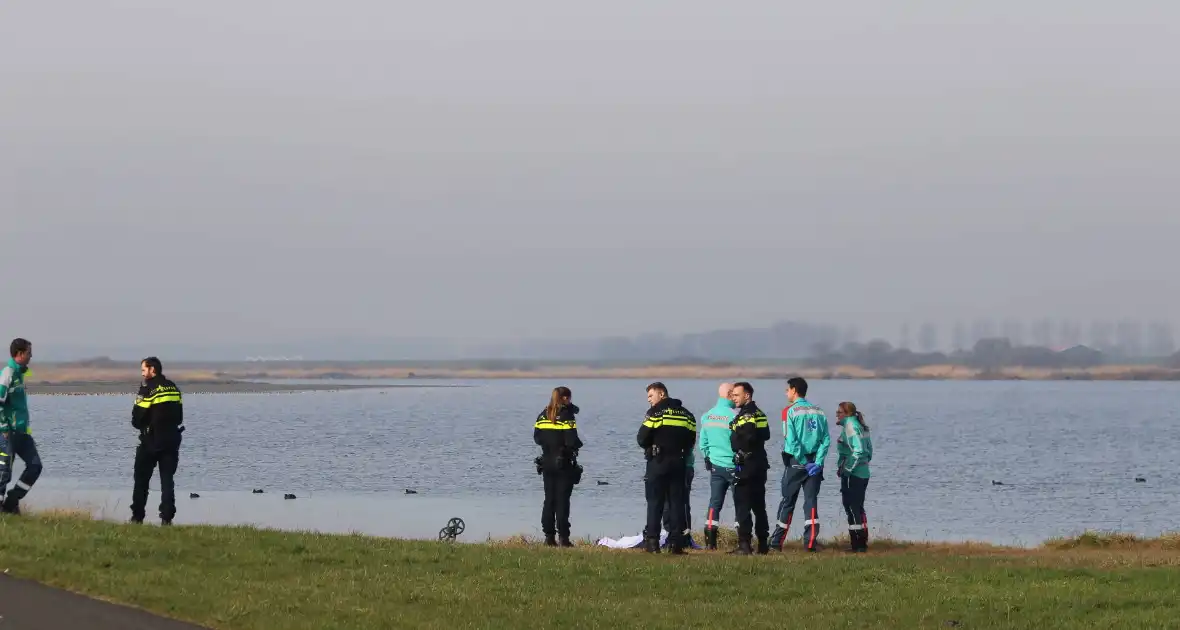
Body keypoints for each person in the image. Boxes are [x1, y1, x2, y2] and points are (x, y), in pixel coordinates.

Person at [769, 376, 831, 552]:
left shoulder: (789, 411)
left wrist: (803, 461)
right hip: (815, 463)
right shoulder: (819, 411)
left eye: (787, 389)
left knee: (788, 501)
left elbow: (791, 440)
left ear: (794, 390)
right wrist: (817, 462)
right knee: (811, 502)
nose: (786, 393)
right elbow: (826, 439)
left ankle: (776, 543)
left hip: (797, 462)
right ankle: (810, 543)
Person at [637, 382, 697, 554]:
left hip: (658, 462)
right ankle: (676, 544)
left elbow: (641, 438)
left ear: (661, 394)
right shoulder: (687, 415)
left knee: (655, 502)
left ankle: (653, 543)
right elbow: (691, 440)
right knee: (676, 503)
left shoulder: (655, 413)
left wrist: (652, 446)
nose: (649, 400)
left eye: (651, 395)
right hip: (679, 463)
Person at [131, 357, 185, 525]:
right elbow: (179, 417)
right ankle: (167, 519)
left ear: (152, 370)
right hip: (171, 439)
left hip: (151, 441)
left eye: (143, 370)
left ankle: (137, 517)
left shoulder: (148, 389)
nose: (142, 374)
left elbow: (136, 419)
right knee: (167, 480)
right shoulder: (173, 388)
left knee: (141, 480)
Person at [533, 386, 583, 547]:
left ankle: (549, 537)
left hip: (547, 462)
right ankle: (563, 538)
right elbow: (572, 440)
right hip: (563, 463)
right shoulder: (567, 416)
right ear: (565, 398)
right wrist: (576, 446)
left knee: (549, 500)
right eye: (569, 398)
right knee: (562, 501)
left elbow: (537, 438)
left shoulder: (543, 415)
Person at [728, 381, 771, 554]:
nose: (734, 398)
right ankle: (763, 544)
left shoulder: (747, 415)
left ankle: (744, 545)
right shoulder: (759, 413)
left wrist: (740, 447)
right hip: (760, 464)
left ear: (747, 395)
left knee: (743, 505)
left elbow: (747, 437)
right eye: (732, 395)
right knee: (759, 506)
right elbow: (766, 434)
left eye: (736, 395)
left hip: (747, 465)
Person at [0, 338, 40, 515]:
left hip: (22, 433)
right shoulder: (7, 373)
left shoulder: (20, 374)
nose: (31, 356)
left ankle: (12, 501)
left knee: (35, 466)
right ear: (20, 354)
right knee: (4, 471)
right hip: (7, 433)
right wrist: (3, 428)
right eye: (29, 353)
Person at [698, 382, 737, 550]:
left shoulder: (707, 416)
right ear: (729, 395)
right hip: (735, 466)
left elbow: (703, 444)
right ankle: (743, 542)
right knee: (740, 503)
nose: (736, 397)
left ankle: (710, 543)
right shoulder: (735, 416)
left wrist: (708, 458)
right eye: (735, 394)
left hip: (716, 466)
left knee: (714, 503)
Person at [836, 401, 873, 553]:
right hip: (864, 472)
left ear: (847, 414)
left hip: (853, 474)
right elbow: (869, 450)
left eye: (839, 412)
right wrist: (864, 464)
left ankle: (857, 545)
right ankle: (862, 542)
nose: (837, 415)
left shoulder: (850, 426)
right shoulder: (860, 425)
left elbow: (858, 450)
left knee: (851, 507)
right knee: (858, 507)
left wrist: (847, 469)